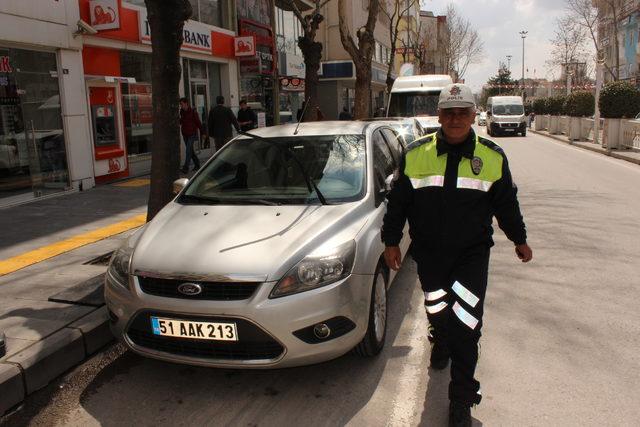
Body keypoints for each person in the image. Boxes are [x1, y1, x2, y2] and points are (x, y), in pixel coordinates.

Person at [381, 83, 533, 427]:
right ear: (439, 116)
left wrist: (519, 239)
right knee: (436, 305)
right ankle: (440, 336)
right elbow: (399, 202)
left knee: (467, 325)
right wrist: (391, 241)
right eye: (448, 112)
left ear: (473, 116)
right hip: (429, 254)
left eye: (462, 112)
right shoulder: (416, 153)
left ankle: (461, 399)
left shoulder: (491, 157)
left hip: (471, 256)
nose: (455, 119)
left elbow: (506, 204)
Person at [179, 97, 204, 174]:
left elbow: (198, 122)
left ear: (186, 103)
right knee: (190, 150)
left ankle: (186, 168)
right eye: (180, 104)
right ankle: (197, 164)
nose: (181, 106)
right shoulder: (182, 112)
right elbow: (181, 121)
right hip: (185, 134)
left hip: (192, 134)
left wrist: (203, 132)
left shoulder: (193, 112)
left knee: (188, 150)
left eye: (182, 104)